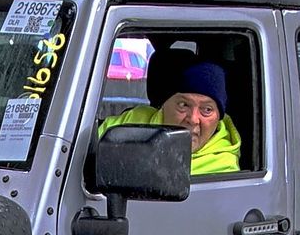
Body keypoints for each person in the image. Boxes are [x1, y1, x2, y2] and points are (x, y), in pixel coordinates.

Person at [98, 60, 242, 176]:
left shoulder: (224, 168)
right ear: (164, 105)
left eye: (207, 110)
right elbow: (85, 148)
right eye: (183, 104)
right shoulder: (133, 120)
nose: (193, 119)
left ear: (218, 119)